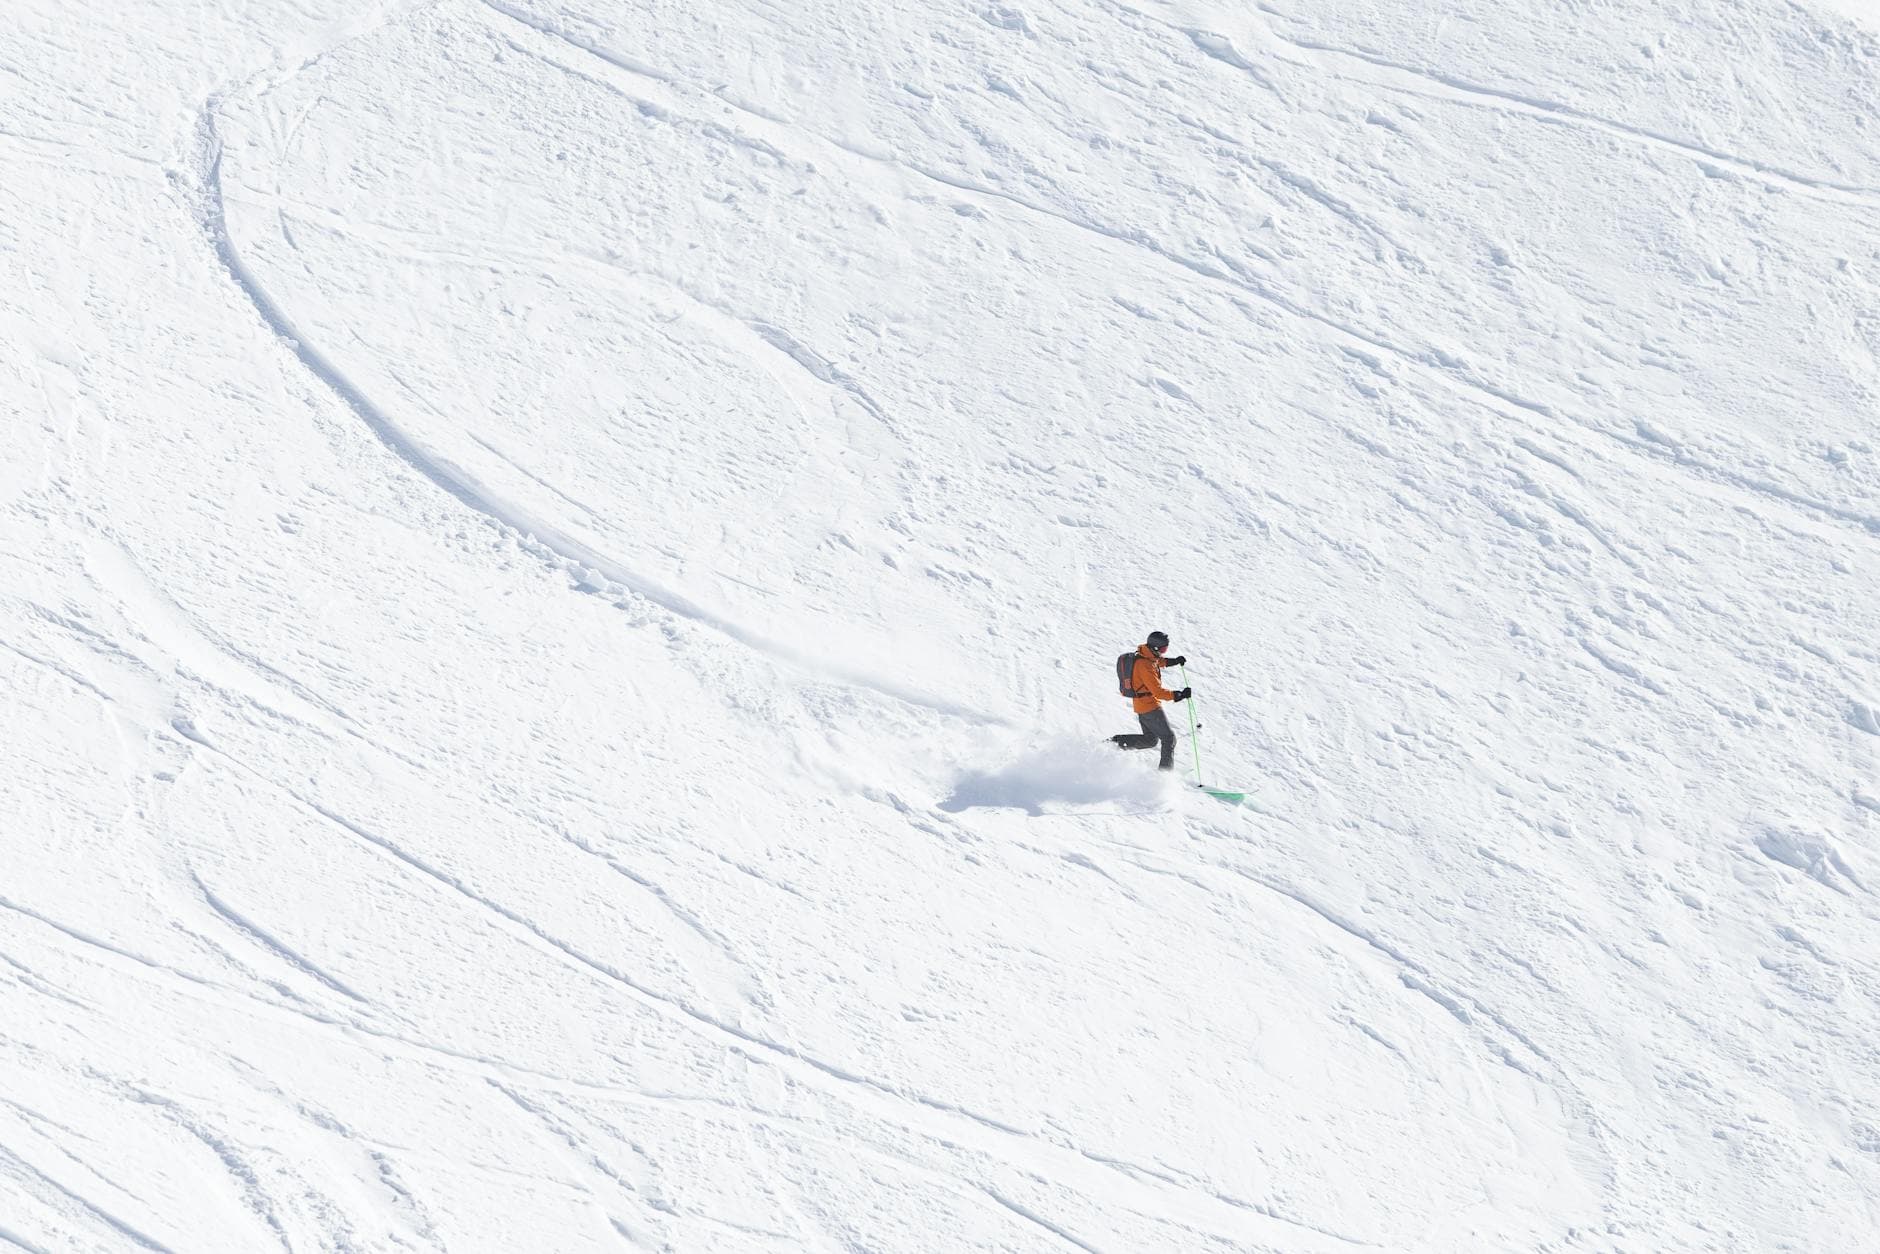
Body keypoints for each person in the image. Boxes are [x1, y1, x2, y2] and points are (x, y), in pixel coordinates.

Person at [1111, 631, 1191, 770]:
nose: (1164, 652)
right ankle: (1165, 775)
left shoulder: (1145, 656)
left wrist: (1174, 661)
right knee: (1169, 739)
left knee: (1150, 740)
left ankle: (1114, 743)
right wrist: (1179, 695)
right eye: (1163, 649)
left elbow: (1158, 662)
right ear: (1155, 648)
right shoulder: (1145, 665)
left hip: (1142, 706)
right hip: (1150, 707)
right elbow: (1158, 692)